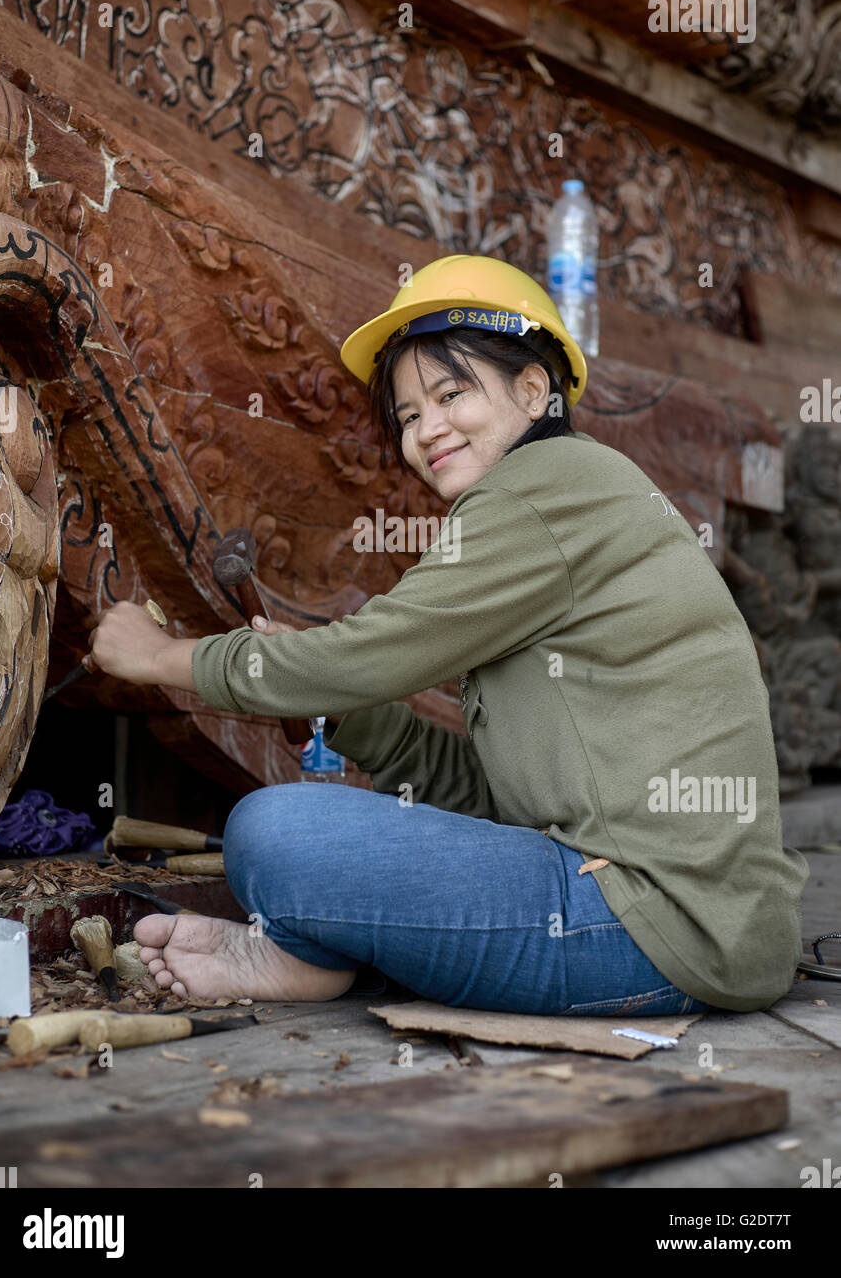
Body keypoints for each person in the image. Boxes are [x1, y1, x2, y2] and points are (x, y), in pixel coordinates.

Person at [89, 254, 808, 1014]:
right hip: (694, 926)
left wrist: (164, 656)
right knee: (295, 831)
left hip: (653, 925)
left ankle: (312, 954)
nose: (425, 430)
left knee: (274, 832)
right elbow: (495, 800)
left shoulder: (540, 490)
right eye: (406, 416)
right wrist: (363, 724)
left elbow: (375, 652)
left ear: (534, 390)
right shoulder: (580, 489)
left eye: (450, 393)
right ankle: (308, 952)